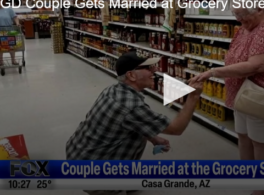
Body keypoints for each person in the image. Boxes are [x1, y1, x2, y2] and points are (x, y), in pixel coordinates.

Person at [189, 0, 264, 195]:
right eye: (236, 15)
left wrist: (214, 72)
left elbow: (258, 65)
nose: (239, 20)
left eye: (242, 15)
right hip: (242, 95)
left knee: (261, 144)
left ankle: (262, 189)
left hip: (262, 96)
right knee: (244, 137)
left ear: (259, 8)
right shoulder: (246, 27)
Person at [66, 51, 203, 195]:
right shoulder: (131, 105)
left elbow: (133, 122)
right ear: (131, 75)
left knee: (134, 136)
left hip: (78, 153)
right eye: (147, 68)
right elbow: (176, 129)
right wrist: (193, 96)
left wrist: (154, 138)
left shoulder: (113, 90)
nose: (154, 70)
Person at [0, 0, 21, 66]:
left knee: (11, 45)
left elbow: (15, 17)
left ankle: (13, 60)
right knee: (0, 46)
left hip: (9, 30)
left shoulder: (8, 9)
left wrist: (17, 23)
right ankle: (0, 61)